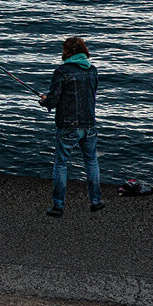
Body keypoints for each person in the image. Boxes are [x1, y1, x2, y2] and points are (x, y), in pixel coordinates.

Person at [39, 36, 103, 217]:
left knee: (61, 163)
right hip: (89, 123)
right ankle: (96, 201)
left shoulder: (62, 71)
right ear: (84, 51)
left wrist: (45, 102)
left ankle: (58, 206)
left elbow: (53, 99)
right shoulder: (93, 71)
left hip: (67, 125)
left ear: (66, 52)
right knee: (91, 161)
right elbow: (91, 94)